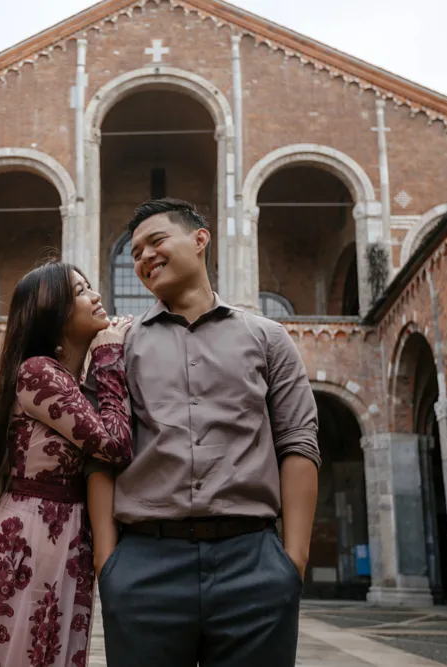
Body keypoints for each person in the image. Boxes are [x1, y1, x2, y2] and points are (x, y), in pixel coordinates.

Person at [85, 198, 321, 667]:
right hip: (143, 566)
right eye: (134, 253)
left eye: (156, 241)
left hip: (254, 561)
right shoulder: (117, 346)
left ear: (200, 239)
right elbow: (99, 452)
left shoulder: (268, 338)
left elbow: (298, 442)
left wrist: (291, 562)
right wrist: (108, 564)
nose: (144, 258)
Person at [0, 261, 134, 667]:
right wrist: (110, 357)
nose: (96, 296)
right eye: (81, 291)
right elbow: (114, 445)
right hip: (29, 538)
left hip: (67, 538)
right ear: (54, 312)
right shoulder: (38, 372)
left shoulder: (72, 380)